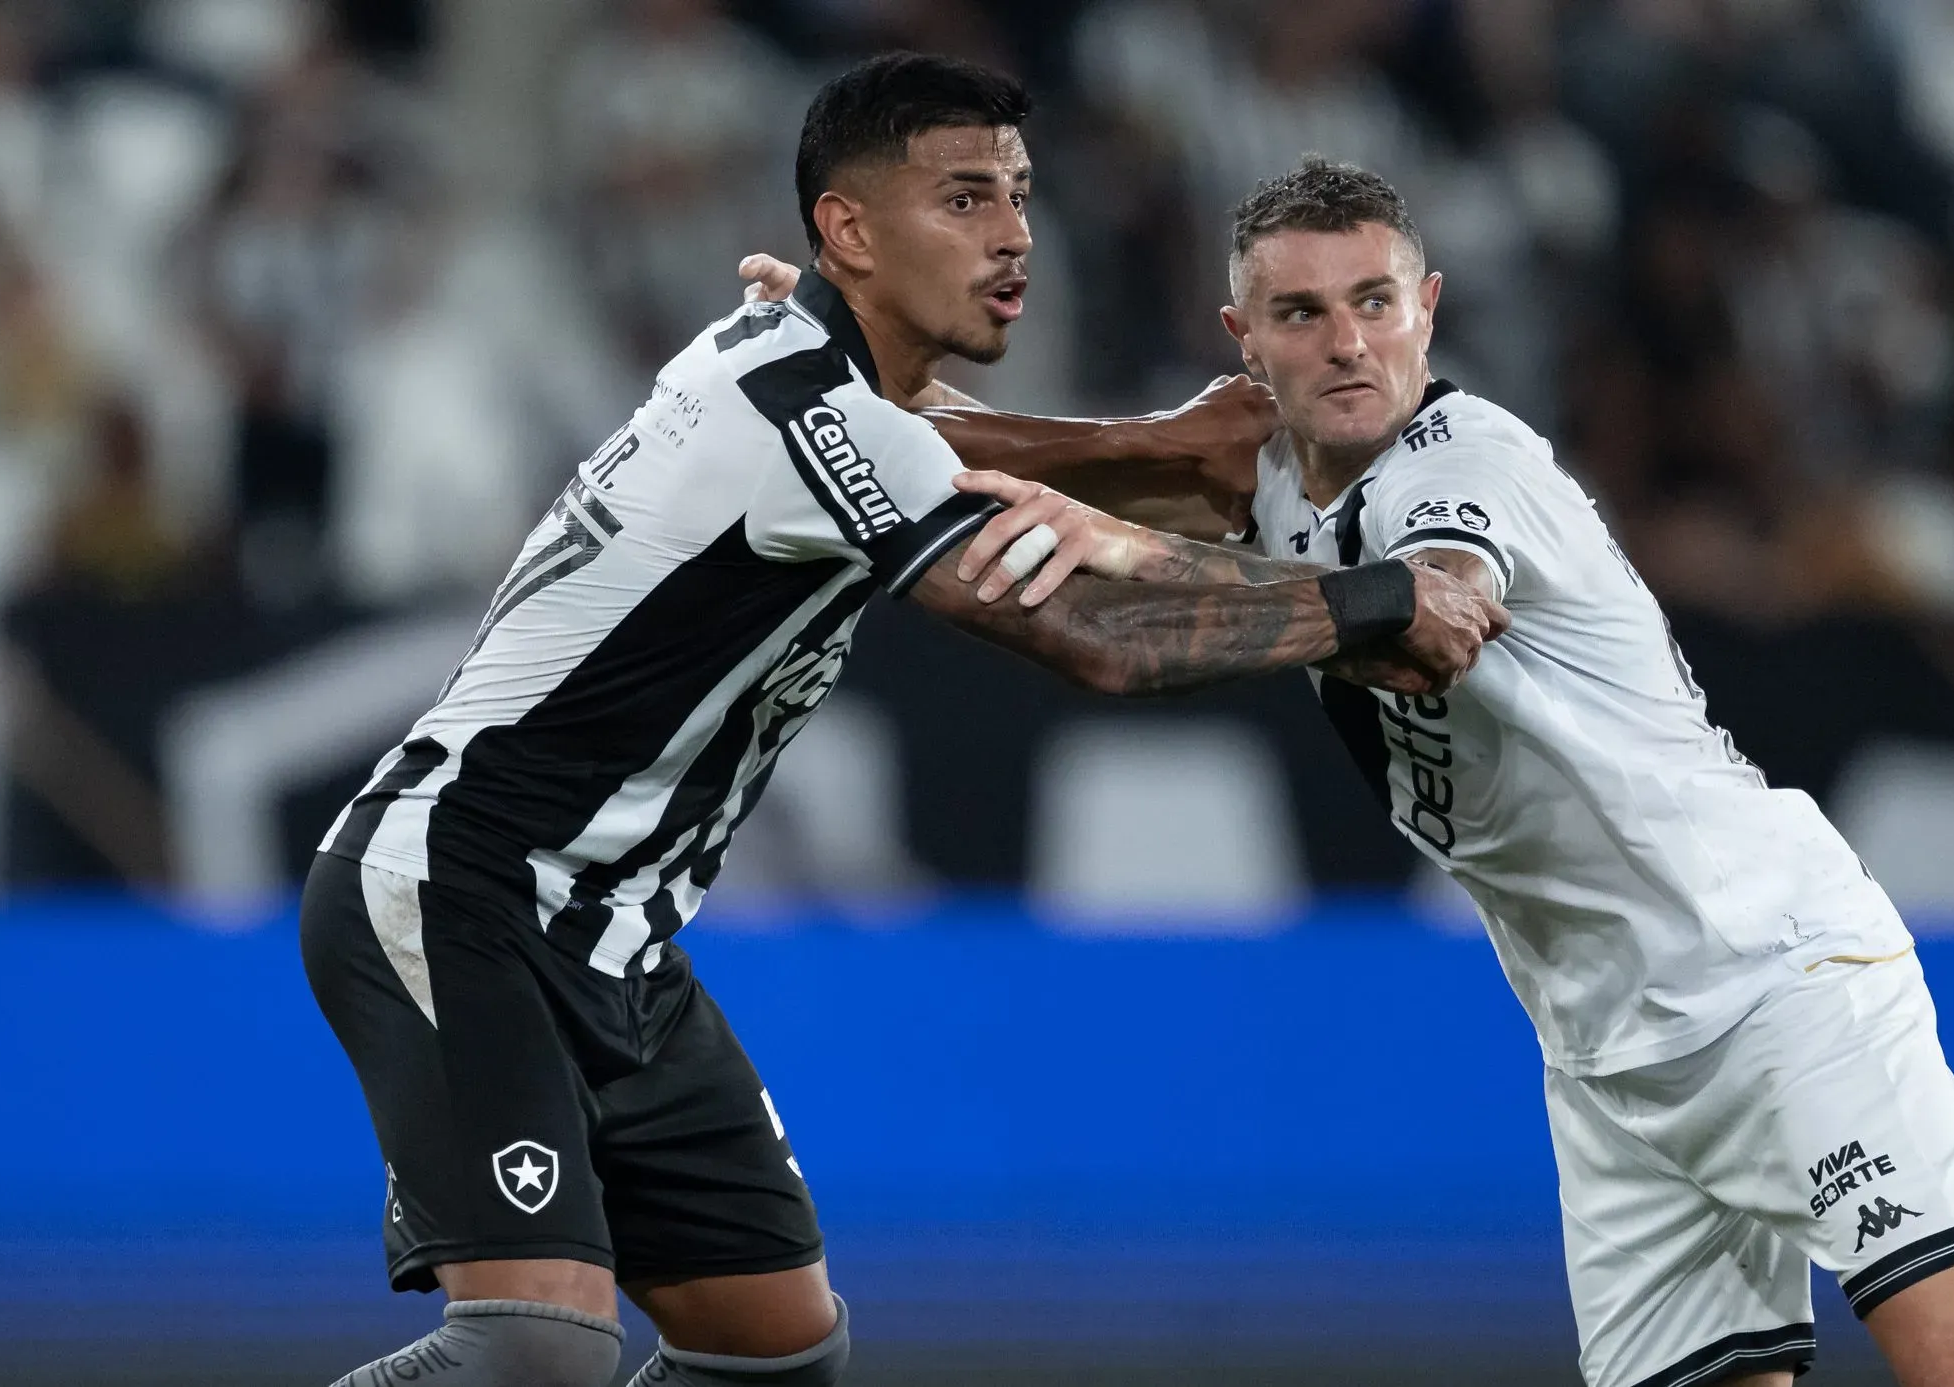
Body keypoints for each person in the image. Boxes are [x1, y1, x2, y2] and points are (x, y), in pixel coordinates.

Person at [299, 62, 1503, 1387]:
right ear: (849, 230)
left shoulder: (781, 357)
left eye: (1021, 197)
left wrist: (1159, 449)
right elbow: (1088, 636)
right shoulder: (807, 414)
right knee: (532, 1351)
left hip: (609, 934)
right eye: (964, 197)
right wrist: (1376, 596)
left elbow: (938, 441)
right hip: (460, 885)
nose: (1012, 234)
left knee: (773, 1350)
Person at [929, 159, 1954, 1387]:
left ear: (1428, 308)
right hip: (1603, 1052)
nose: (1346, 343)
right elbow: (1031, 450)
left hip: (1769, 979)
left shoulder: (1470, 465)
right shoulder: (1257, 457)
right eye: (1300, 314)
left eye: (1375, 302)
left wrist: (1136, 552)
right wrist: (830, 368)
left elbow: (1431, 616)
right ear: (1243, 339)